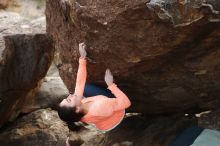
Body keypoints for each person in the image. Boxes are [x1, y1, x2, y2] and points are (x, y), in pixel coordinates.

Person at [58, 43, 131, 132]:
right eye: (69, 100)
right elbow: (126, 103)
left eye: (66, 98)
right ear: (77, 108)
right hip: (117, 112)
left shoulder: (77, 113)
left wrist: (82, 58)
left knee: (86, 88)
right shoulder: (101, 106)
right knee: (89, 90)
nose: (69, 95)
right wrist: (111, 85)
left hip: (102, 115)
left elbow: (80, 82)